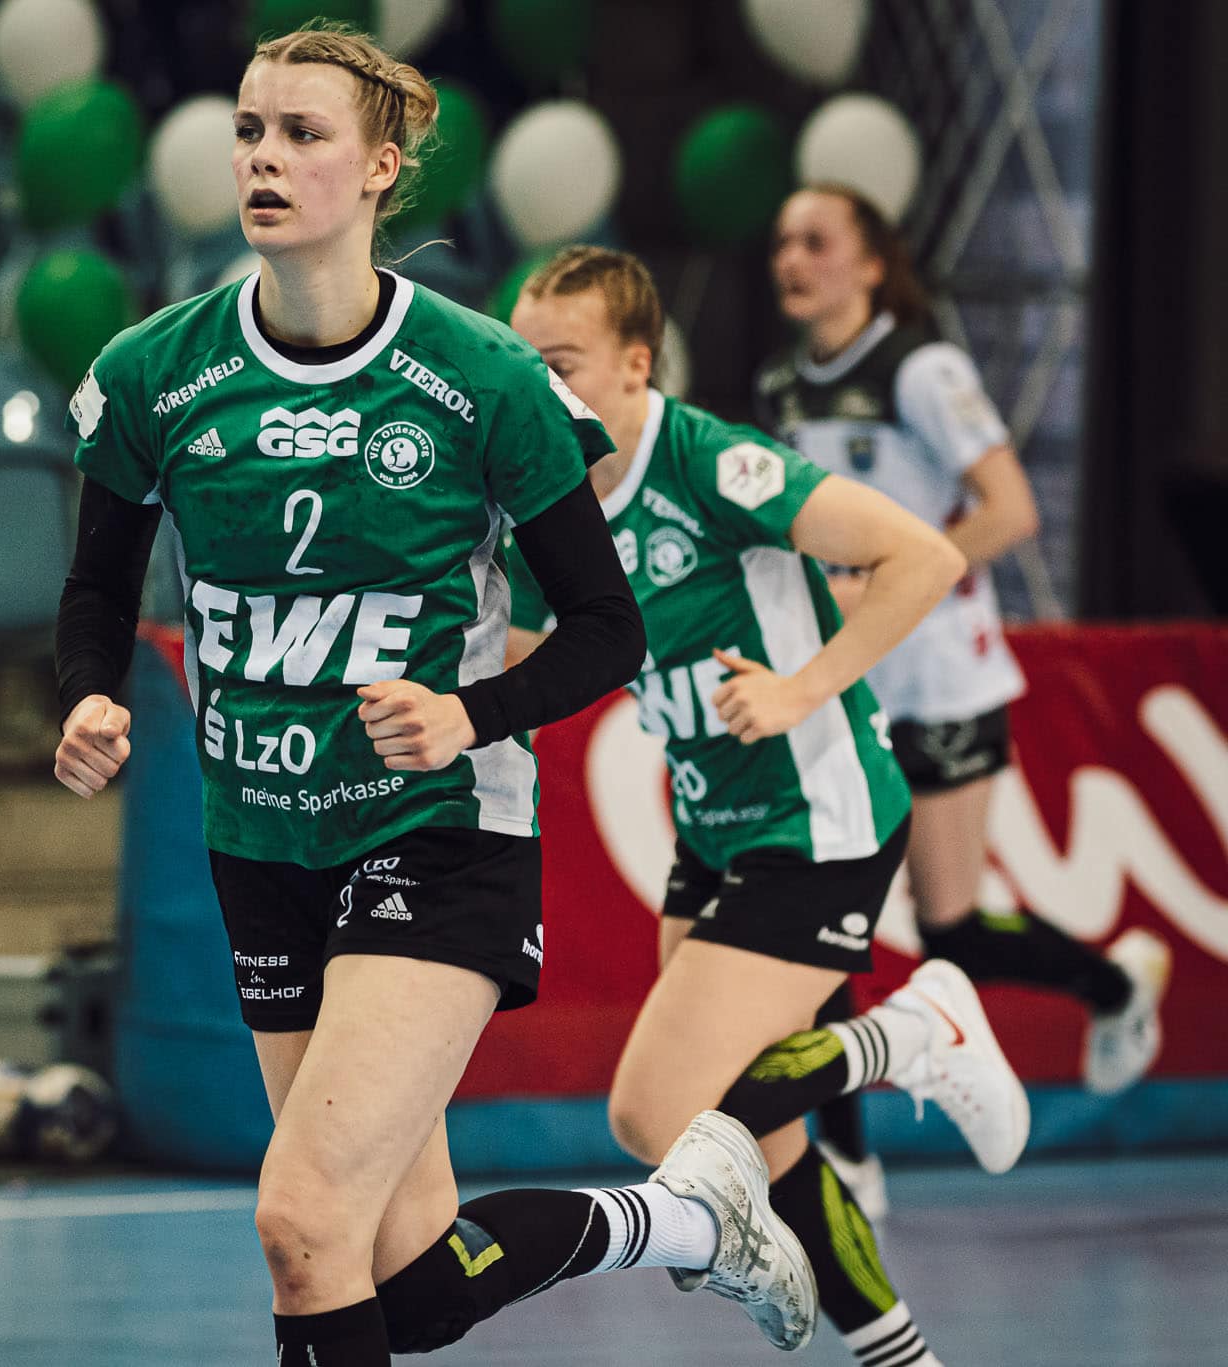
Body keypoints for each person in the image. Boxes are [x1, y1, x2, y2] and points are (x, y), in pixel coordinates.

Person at [55, 24, 826, 1364]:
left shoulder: (481, 377)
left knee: (301, 1224)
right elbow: (95, 590)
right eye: (249, 130)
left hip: (438, 830)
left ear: (380, 167)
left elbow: (607, 629)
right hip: (259, 839)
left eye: (302, 133)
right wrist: (85, 695)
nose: (264, 158)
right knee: (405, 1277)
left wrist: (472, 712)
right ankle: (684, 1219)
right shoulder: (153, 371)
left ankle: (688, 1214)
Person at [510, 245, 1034, 1367]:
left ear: (635, 365)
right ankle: (901, 1354)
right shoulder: (549, 499)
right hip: (715, 827)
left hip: (817, 821)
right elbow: (526, 652)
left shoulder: (710, 463)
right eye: (523, 361)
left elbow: (921, 556)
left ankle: (910, 1032)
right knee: (764, 1137)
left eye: (561, 361)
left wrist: (802, 686)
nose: (537, 385)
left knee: (657, 1112)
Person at [758, 184, 1171, 1211]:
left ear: (870, 263)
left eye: (816, 241)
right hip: (842, 680)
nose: (791, 259)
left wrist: (892, 577)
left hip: (941, 676)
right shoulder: (781, 385)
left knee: (948, 929)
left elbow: (1012, 509)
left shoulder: (920, 369)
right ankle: (847, 1157)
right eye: (781, 242)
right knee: (821, 921)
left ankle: (1116, 985)